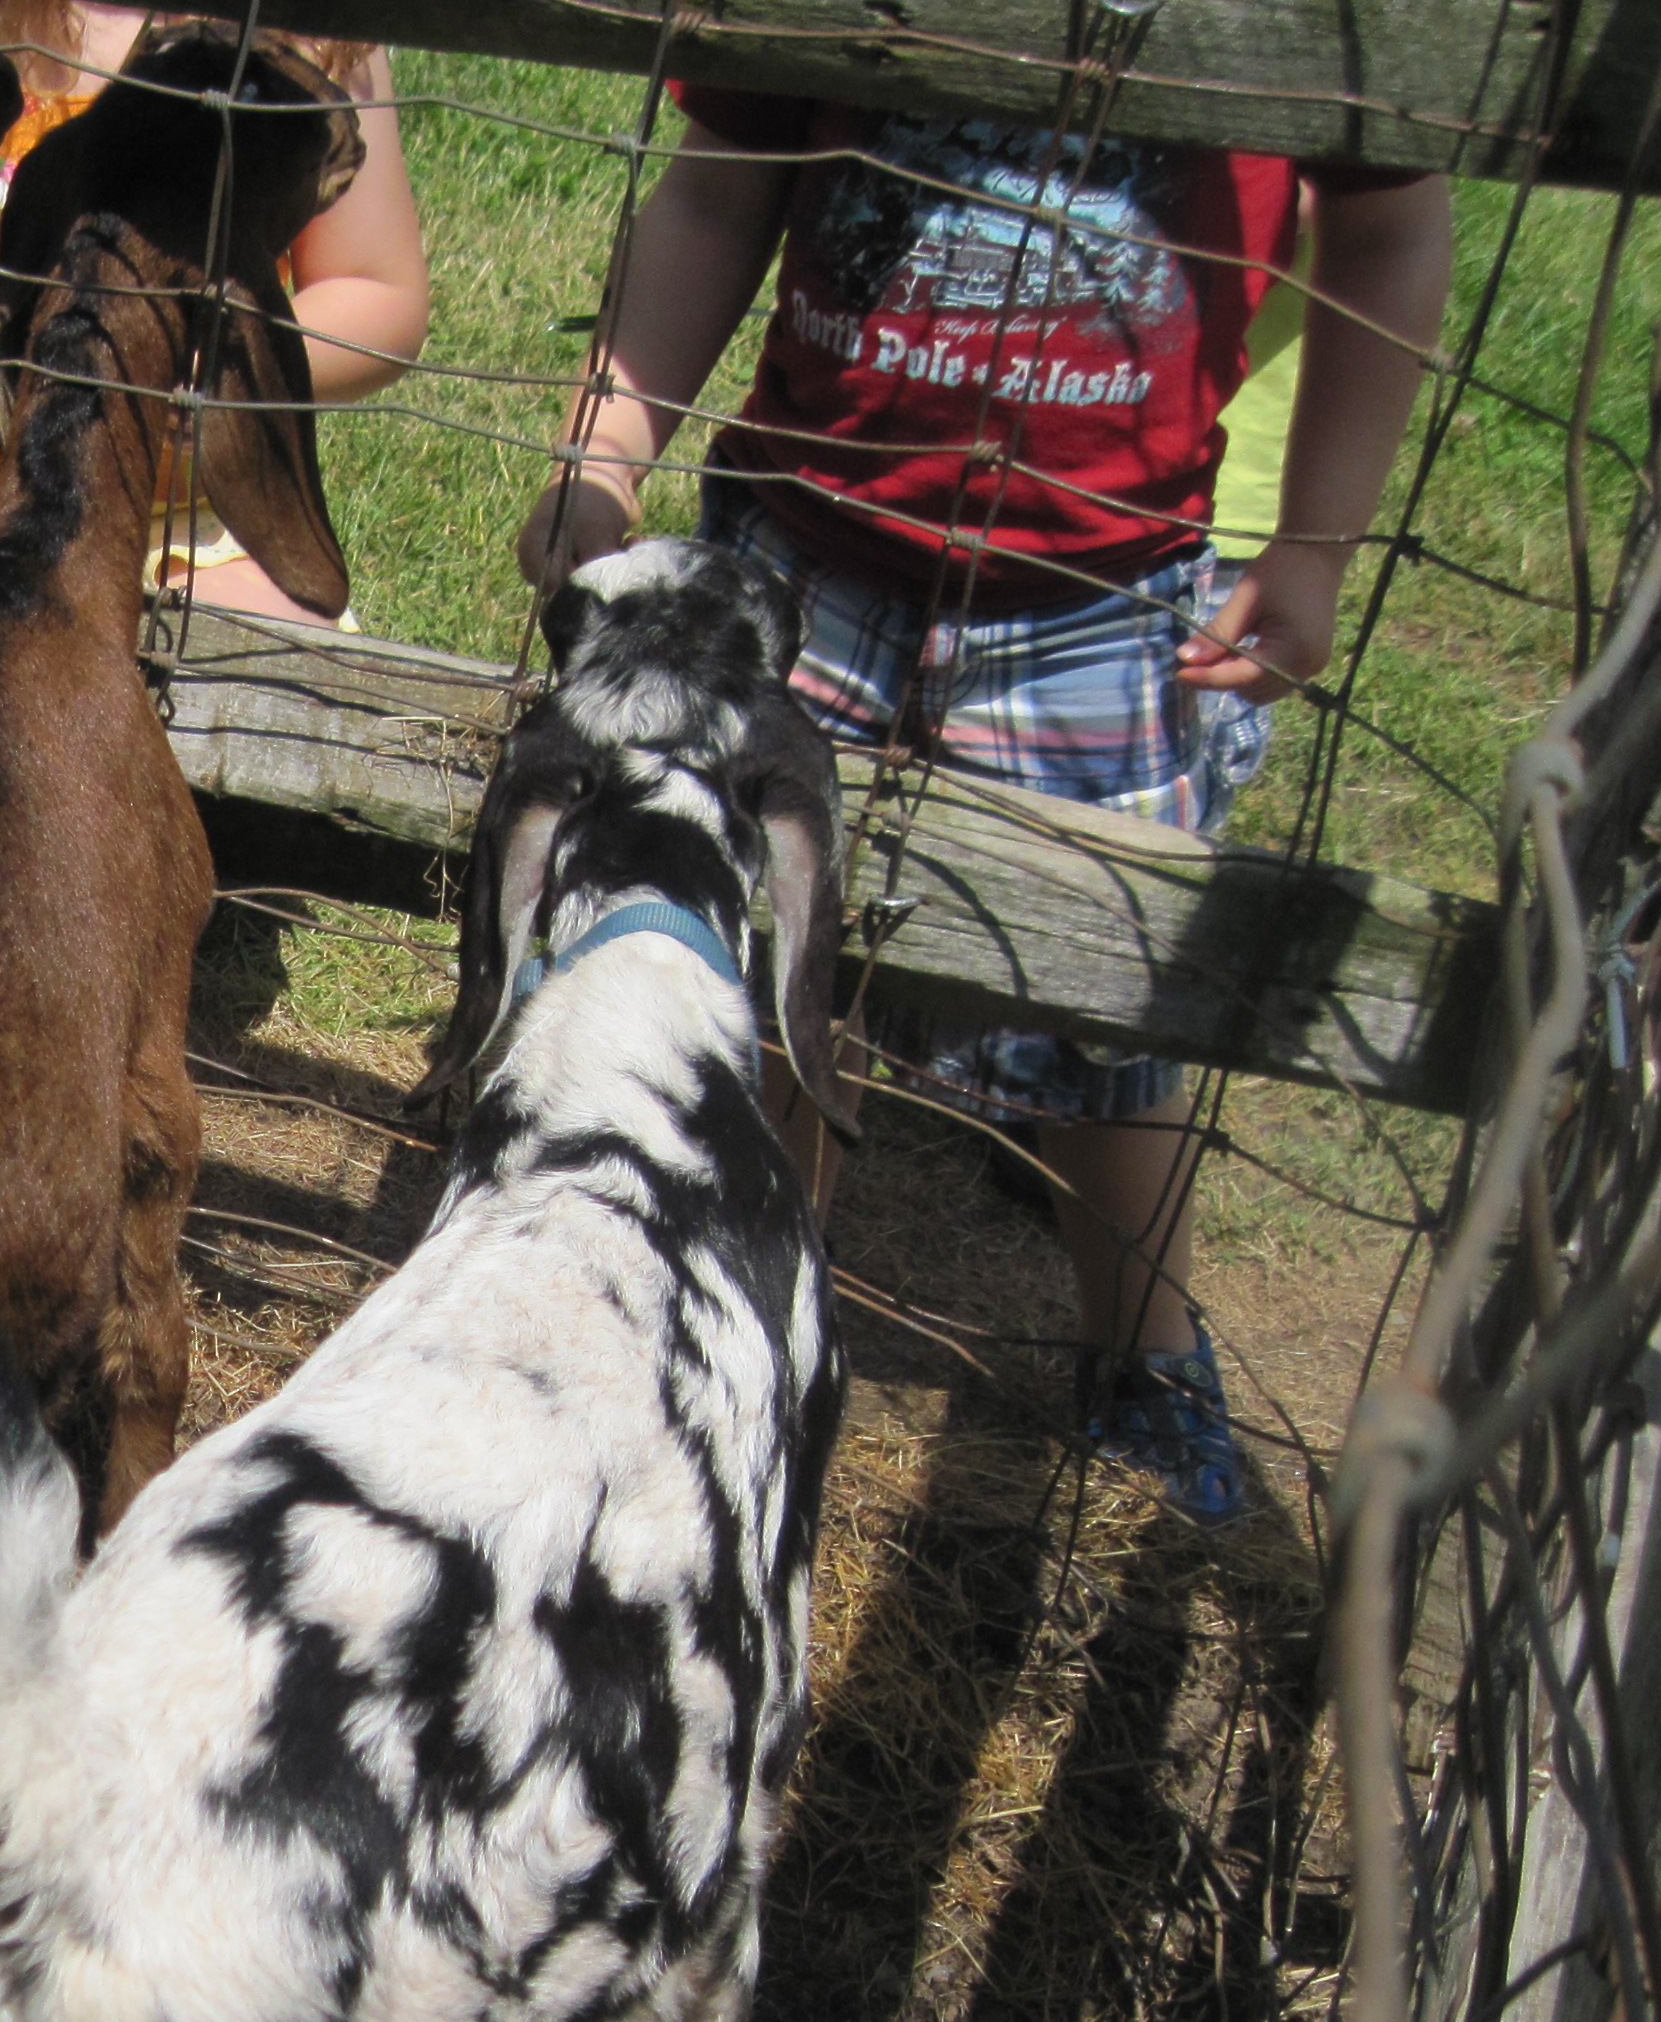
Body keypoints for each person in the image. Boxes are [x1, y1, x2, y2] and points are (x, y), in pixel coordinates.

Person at [520, 94, 1452, 1522]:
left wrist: (1317, 545)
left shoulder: (1300, 10)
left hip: (1098, 596)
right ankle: (757, 1304)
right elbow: (721, 190)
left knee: (1110, 995)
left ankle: (1145, 1354)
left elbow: (1388, 225)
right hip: (805, 552)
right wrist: (609, 449)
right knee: (767, 957)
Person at [0, 0, 430, 624]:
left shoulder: (305, 23)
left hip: (157, 530)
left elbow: (379, 292)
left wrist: (197, 362)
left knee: (270, 644)